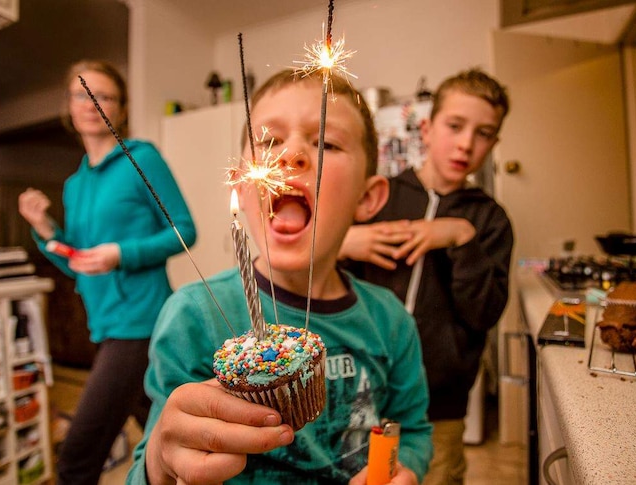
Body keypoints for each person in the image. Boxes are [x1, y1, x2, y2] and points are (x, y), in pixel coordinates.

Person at [126, 69, 433, 485]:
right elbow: (150, 465)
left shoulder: (391, 321)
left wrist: (405, 469)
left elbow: (412, 429)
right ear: (241, 183)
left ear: (367, 197)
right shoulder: (193, 317)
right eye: (269, 142)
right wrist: (162, 462)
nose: (290, 156)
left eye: (325, 142)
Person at [17, 59, 197, 485]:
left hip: (141, 319)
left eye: (105, 95)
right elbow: (76, 262)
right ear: (69, 105)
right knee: (160, 432)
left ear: (121, 107)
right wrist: (45, 230)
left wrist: (122, 254)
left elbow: (184, 231)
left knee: (77, 457)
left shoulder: (142, 158)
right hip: (104, 322)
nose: (92, 103)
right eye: (82, 93)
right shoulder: (74, 185)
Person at [339, 68, 513, 485]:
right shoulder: (379, 195)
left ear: (495, 142)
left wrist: (461, 237)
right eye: (455, 126)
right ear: (426, 128)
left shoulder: (489, 220)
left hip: (441, 405)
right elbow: (321, 277)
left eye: (484, 133)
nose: (467, 143)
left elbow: (484, 313)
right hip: (360, 387)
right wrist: (347, 241)